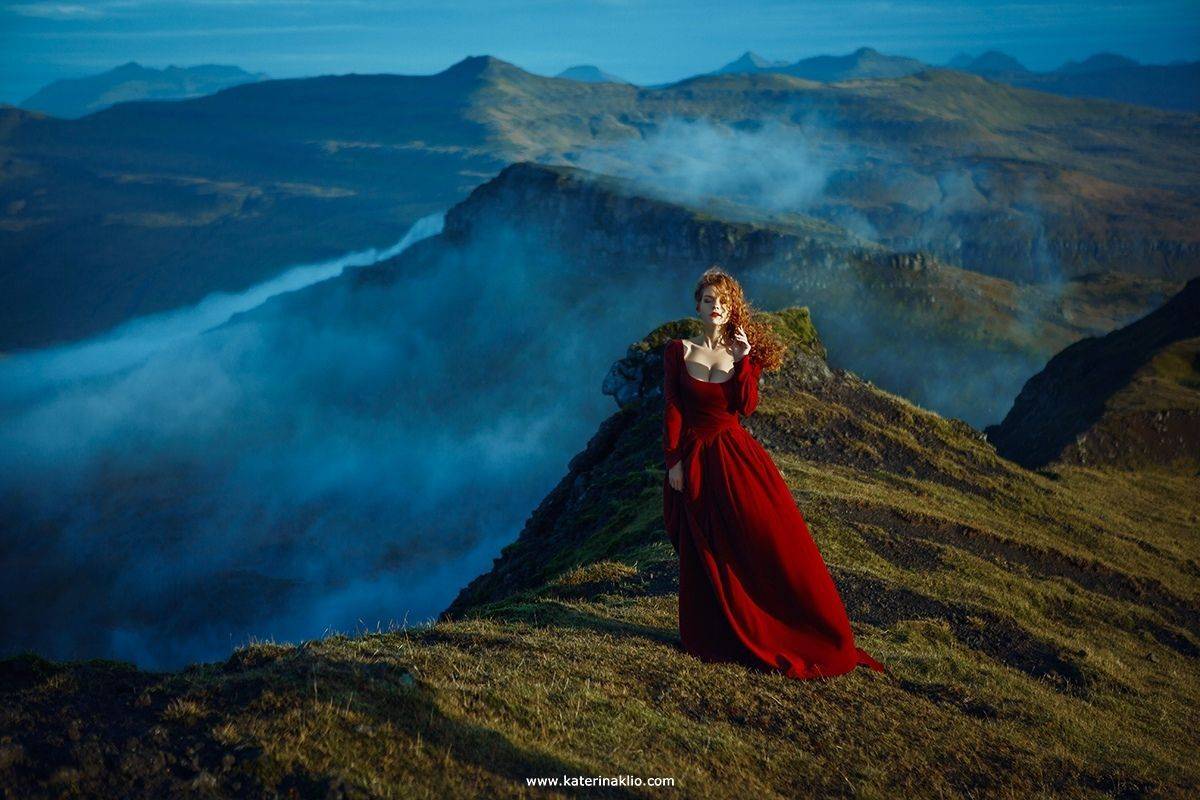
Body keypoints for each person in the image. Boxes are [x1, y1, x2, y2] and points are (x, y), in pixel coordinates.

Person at [662, 266, 885, 679]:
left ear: (733, 309)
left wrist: (745, 361)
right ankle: (716, 634)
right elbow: (674, 408)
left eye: (723, 302)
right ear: (697, 305)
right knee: (705, 546)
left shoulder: (744, 355)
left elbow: (746, 407)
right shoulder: (678, 351)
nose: (715, 308)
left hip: (736, 458)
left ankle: (809, 632)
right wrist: (674, 462)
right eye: (709, 301)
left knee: (767, 540)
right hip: (694, 459)